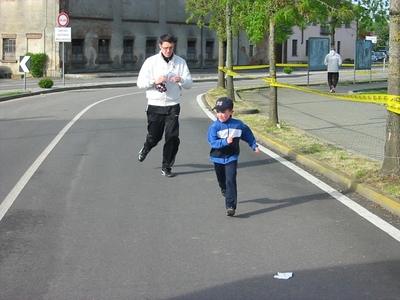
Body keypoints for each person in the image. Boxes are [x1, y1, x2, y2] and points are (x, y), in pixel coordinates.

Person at [136, 33, 193, 177]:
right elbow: (140, 84)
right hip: (155, 104)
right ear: (160, 46)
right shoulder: (151, 62)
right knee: (154, 137)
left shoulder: (180, 62)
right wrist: (155, 80)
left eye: (171, 48)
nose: (168, 51)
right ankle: (147, 147)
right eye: (166, 47)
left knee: (172, 137)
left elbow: (189, 84)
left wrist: (181, 80)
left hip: (173, 104)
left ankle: (166, 166)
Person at [207, 97, 260, 217]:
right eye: (218, 112)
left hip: (232, 156)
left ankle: (230, 206)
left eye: (223, 112)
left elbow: (247, 135)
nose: (220, 115)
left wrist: (253, 145)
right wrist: (225, 141)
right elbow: (212, 142)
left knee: (230, 179)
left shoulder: (238, 125)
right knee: (222, 180)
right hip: (217, 157)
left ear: (231, 112)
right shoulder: (214, 127)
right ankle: (223, 188)